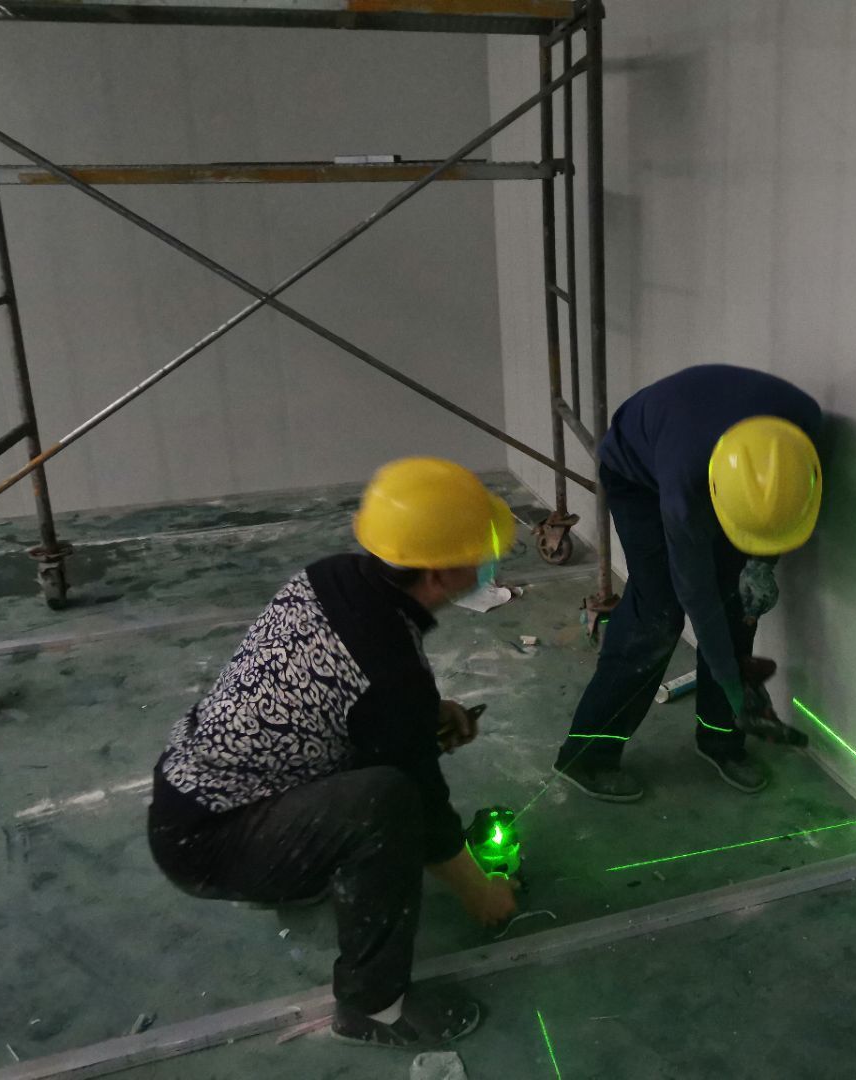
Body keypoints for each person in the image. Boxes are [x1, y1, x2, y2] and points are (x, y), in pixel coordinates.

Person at [147, 458, 519, 1050]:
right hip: (210, 843)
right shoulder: (388, 673)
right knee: (388, 801)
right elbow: (424, 805)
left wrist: (426, 712)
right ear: (440, 571)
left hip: (190, 793)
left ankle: (308, 863)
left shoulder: (335, 576)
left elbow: (352, 690)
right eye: (482, 553)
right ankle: (374, 1006)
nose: (489, 563)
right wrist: (479, 890)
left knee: (387, 773)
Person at [554, 364, 822, 801]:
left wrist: (761, 562)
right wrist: (735, 685)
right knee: (657, 613)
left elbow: (784, 505)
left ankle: (721, 738)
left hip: (703, 447)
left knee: (737, 601)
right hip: (637, 473)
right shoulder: (683, 486)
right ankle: (586, 754)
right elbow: (696, 594)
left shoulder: (804, 428)